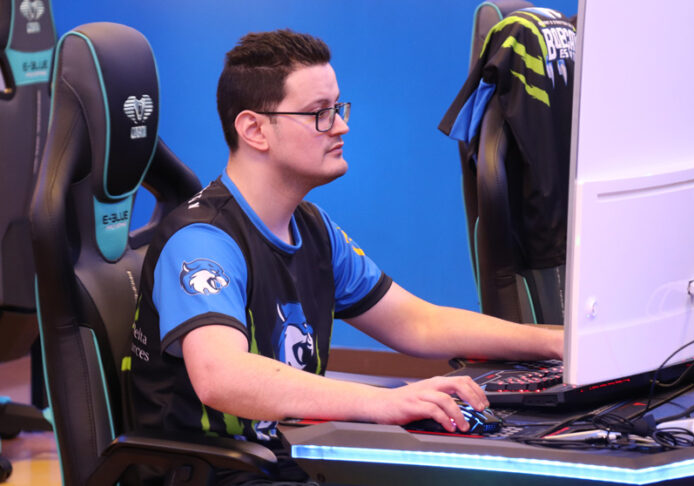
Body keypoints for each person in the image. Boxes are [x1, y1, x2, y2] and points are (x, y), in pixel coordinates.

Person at [127, 29, 563, 484]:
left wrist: (555, 343)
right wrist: (381, 402)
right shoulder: (203, 239)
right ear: (254, 129)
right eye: (319, 113)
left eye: (337, 108)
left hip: (288, 463)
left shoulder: (312, 228)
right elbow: (222, 375)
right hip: (217, 474)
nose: (341, 125)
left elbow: (419, 323)